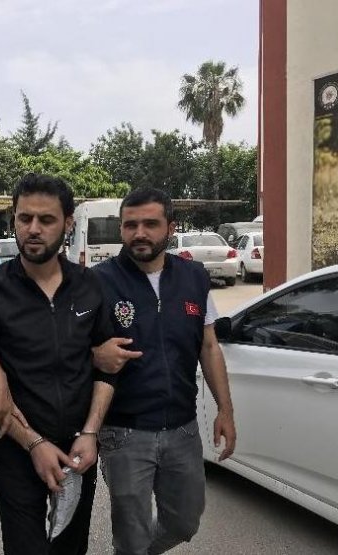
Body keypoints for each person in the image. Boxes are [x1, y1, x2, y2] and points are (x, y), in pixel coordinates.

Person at [0, 173, 120, 555]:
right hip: (16, 448)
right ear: (14, 219)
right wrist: (33, 443)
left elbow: (107, 366)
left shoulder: (90, 285)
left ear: (68, 223)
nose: (33, 229)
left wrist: (91, 432)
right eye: (24, 218)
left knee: (71, 548)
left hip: (79, 446)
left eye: (46, 219)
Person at [92, 187, 237, 555]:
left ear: (171, 228)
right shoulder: (98, 280)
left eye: (150, 224)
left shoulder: (194, 276)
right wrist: (94, 354)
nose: (139, 233)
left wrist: (225, 410)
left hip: (182, 428)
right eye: (130, 225)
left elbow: (209, 346)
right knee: (132, 537)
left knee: (184, 523)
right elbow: (66, 349)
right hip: (124, 431)